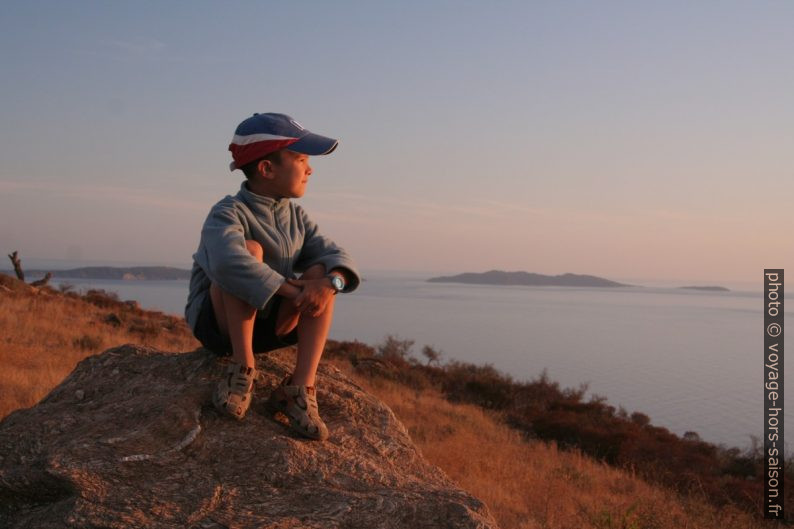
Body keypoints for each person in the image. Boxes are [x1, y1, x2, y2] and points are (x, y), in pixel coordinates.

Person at [185, 113, 360, 441]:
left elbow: (336, 256)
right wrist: (294, 292)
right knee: (248, 252)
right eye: (301, 159)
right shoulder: (227, 212)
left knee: (321, 272)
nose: (310, 169)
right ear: (267, 169)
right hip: (221, 326)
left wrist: (330, 283)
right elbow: (227, 264)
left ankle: (300, 387)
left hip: (272, 326)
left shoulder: (296, 216)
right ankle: (242, 368)